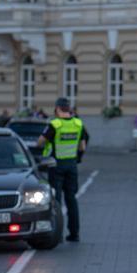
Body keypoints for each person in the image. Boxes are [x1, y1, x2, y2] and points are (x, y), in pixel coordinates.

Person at [37, 97, 87, 243]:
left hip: (56, 165)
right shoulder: (78, 124)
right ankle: (74, 234)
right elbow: (82, 147)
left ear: (57, 109)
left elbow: (40, 142)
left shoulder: (55, 124)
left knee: (56, 200)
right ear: (69, 109)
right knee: (71, 199)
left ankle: (57, 235)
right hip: (72, 165)